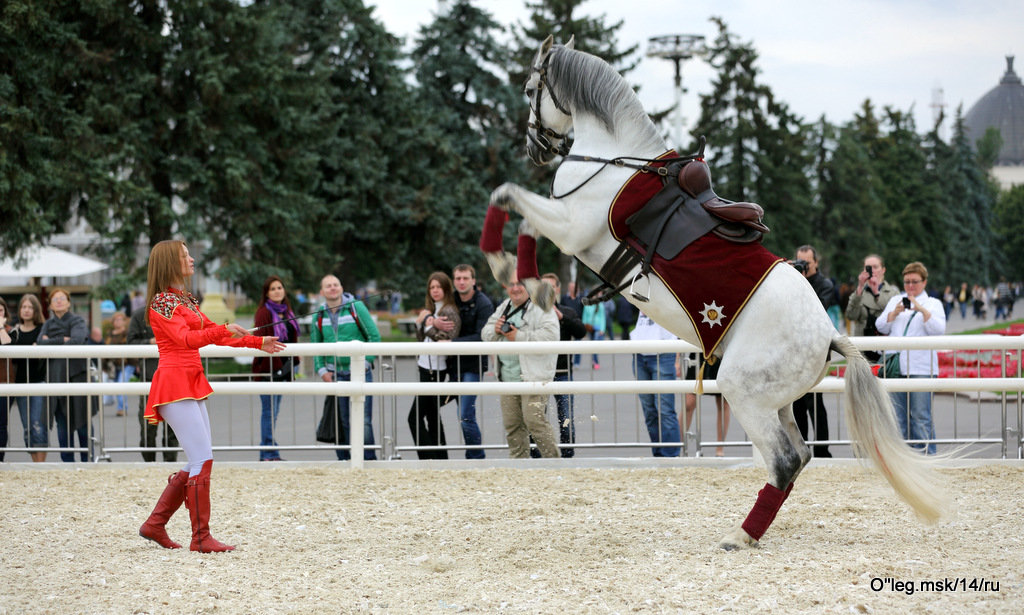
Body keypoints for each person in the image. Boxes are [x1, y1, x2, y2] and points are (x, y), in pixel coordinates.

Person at [138, 239, 283, 552]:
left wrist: (257, 343)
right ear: (169, 263)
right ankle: (200, 537)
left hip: (189, 381)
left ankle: (155, 524)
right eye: (185, 255)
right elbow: (189, 339)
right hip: (175, 383)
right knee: (202, 459)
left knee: (197, 460)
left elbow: (216, 334)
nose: (192, 259)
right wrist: (225, 329)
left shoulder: (184, 300)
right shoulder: (162, 303)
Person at [482, 275, 561, 458]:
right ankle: (519, 467)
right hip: (507, 378)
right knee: (513, 425)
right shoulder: (504, 306)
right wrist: (496, 330)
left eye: (520, 284)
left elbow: (551, 336)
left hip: (534, 378)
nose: (515, 288)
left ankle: (554, 463)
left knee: (535, 422)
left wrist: (519, 336)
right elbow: (485, 333)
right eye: (511, 284)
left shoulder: (542, 306)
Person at [875, 261, 946, 455]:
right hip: (897, 368)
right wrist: (894, 313)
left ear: (924, 282)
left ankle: (926, 457)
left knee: (921, 416)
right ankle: (903, 458)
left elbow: (938, 330)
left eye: (915, 281)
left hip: (921, 369)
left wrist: (921, 310)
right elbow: (881, 326)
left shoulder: (933, 303)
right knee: (898, 417)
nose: (910, 286)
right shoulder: (895, 301)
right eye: (907, 282)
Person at [312, 274, 381, 461]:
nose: (332, 288)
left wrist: (365, 364)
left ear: (341, 288)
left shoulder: (356, 307)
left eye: (336, 284)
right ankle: (346, 460)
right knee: (342, 422)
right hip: (335, 375)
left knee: (364, 421)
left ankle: (369, 459)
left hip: (359, 373)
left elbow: (374, 337)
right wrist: (322, 371)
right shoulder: (319, 314)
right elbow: (315, 345)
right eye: (328, 286)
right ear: (322, 291)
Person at [433, 264, 493, 459]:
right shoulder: (451, 299)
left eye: (465, 278)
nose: (461, 282)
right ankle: (463, 454)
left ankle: (476, 457)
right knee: (454, 412)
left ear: (473, 281)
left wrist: (452, 342)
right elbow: (430, 307)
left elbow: (482, 336)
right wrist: (429, 319)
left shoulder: (483, 303)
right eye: (458, 278)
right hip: (451, 365)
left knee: (465, 414)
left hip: (473, 366)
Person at [408, 272, 460, 460]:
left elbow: (445, 339)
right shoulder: (431, 311)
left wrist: (429, 326)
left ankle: (428, 458)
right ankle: (440, 459)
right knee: (431, 416)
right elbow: (421, 338)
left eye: (439, 287)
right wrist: (420, 323)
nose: (435, 291)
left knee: (414, 418)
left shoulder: (449, 311)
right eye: (432, 287)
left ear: (446, 289)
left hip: (435, 370)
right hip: (424, 366)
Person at [37, 288, 93, 462]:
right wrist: (63, 339)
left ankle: (87, 461)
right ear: (50, 305)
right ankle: (67, 464)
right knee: (63, 426)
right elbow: (40, 343)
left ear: (69, 302)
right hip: (56, 377)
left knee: (82, 423)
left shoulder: (77, 320)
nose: (59, 301)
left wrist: (51, 341)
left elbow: (77, 339)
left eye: (62, 298)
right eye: (55, 299)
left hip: (78, 376)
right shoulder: (47, 323)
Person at [249, 275, 300, 462]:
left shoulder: (287, 312)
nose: (277, 291)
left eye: (280, 287)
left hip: (284, 369)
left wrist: (294, 362)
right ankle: (269, 452)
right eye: (273, 289)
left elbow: (292, 338)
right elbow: (260, 341)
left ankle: (269, 451)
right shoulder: (264, 312)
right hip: (268, 370)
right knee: (269, 412)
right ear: (267, 293)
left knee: (274, 413)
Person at [791, 245, 834, 457]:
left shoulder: (824, 285)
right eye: (800, 262)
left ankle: (822, 450)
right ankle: (802, 448)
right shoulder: (792, 281)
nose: (803, 267)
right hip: (795, 353)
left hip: (816, 353)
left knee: (815, 403)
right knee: (796, 403)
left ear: (816, 262)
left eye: (807, 263)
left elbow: (818, 311)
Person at [540, 273, 586, 457]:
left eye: (551, 287)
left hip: (563, 371)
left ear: (558, 289)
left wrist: (562, 318)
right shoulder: (532, 314)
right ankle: (538, 456)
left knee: (566, 418)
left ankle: (568, 456)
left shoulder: (567, 311)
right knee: (536, 418)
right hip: (539, 373)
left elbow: (581, 331)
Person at [127, 307, 179, 462]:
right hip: (149, 379)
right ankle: (149, 463)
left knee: (173, 427)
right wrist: (149, 342)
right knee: (148, 427)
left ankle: (170, 463)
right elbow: (131, 343)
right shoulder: (139, 315)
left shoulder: (177, 312)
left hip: (174, 378)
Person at [630, 312, 682, 457]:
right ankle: (658, 453)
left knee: (664, 409)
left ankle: (671, 455)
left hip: (663, 353)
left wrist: (676, 359)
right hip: (640, 353)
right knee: (649, 411)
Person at [5, 294, 48, 462]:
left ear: (36, 310)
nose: (27, 310)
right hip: (21, 384)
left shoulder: (43, 329)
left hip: (38, 382)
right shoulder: (15, 331)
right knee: (27, 427)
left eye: (30, 307)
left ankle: (40, 465)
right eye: (24, 307)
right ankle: (35, 463)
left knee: (38, 424)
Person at [845, 254, 900, 362]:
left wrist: (876, 293)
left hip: (886, 347)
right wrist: (860, 287)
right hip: (863, 348)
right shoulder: (859, 293)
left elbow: (893, 313)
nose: (872, 271)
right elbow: (851, 315)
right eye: (868, 268)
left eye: (875, 267)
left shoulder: (893, 293)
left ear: (883, 270)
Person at [681, 353, 732, 457]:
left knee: (723, 403)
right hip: (698, 353)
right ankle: (680, 446)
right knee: (688, 404)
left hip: (722, 353)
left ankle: (720, 449)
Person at [104, 311, 136, 417]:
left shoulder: (127, 333)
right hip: (113, 365)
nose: (118, 322)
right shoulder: (110, 334)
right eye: (116, 320)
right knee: (117, 386)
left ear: (124, 321)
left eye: (120, 319)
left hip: (127, 363)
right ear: (113, 322)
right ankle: (121, 406)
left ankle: (122, 408)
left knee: (121, 383)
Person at [581, 299, 607, 369]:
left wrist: (602, 329)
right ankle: (594, 360)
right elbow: (584, 317)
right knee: (592, 346)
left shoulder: (600, 305)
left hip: (598, 327)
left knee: (595, 345)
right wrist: (584, 330)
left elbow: (602, 317)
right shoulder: (587, 306)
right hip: (590, 328)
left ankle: (595, 361)